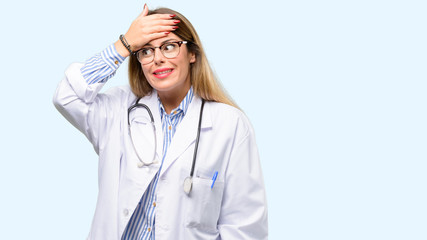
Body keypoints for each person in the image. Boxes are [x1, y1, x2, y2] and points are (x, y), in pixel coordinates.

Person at [53, 5, 267, 240]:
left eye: (169, 47)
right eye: (146, 51)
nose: (157, 59)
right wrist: (125, 44)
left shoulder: (230, 124)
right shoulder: (118, 108)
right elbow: (67, 96)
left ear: (192, 53)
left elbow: (245, 227)